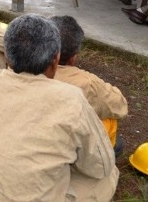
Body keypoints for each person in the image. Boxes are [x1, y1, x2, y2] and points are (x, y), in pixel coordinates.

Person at [0, 14, 118, 201]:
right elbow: (101, 166)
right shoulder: (71, 98)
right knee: (108, 176)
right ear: (55, 61)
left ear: (8, 59)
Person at [51, 15, 128, 149]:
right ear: (73, 58)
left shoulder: (18, 68)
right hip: (65, 147)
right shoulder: (88, 84)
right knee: (108, 118)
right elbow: (120, 106)